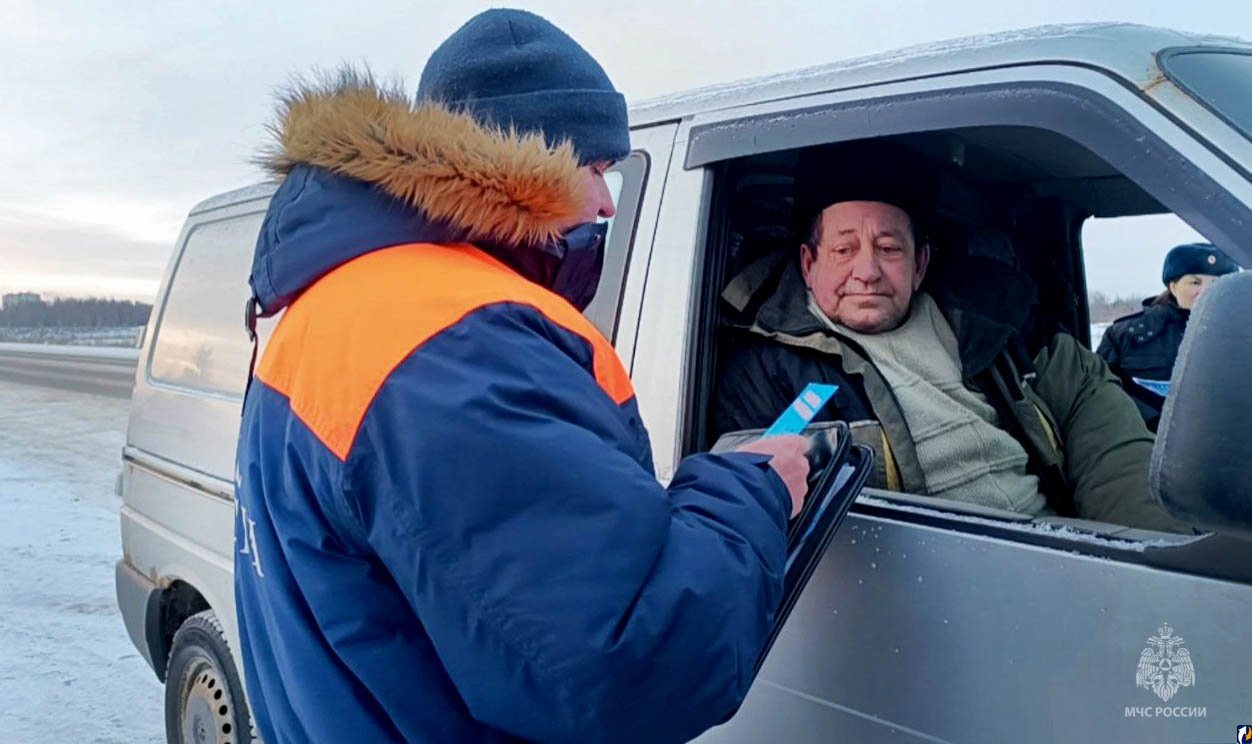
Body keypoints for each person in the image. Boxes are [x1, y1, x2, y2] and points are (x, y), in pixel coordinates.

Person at [233, 9, 811, 744]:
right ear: (523, 163)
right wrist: (749, 490)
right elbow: (628, 665)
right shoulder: (450, 346)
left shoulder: (340, 296)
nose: (607, 202)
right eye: (596, 169)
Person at [715, 140, 1190, 533]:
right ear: (808, 263)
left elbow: (1097, 415)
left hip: (1067, 550)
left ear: (919, 264)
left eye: (888, 248)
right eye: (844, 248)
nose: (867, 271)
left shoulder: (997, 321)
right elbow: (774, 523)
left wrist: (1144, 550)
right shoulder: (764, 372)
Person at [1097, 242, 1240, 430]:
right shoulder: (1125, 336)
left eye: (1217, 283)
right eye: (1195, 282)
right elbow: (1099, 397)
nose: (1206, 291)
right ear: (1173, 286)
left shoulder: (1243, 335)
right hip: (1145, 447)